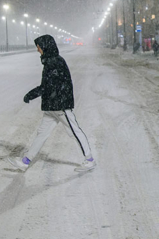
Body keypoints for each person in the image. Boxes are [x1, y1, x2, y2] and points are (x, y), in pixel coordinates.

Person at [10, 34, 96, 172]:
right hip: (52, 107)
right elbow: (49, 86)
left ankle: (90, 160)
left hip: (60, 106)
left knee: (74, 131)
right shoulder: (51, 61)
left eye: (38, 47)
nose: (37, 50)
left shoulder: (54, 62)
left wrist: (30, 95)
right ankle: (25, 161)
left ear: (45, 47)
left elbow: (47, 86)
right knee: (41, 133)